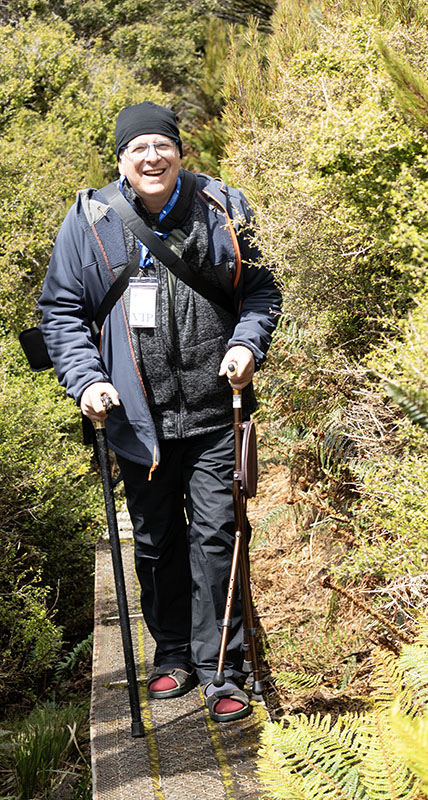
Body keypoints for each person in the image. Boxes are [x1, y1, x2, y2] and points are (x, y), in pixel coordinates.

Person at [39, 101, 282, 723]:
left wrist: (247, 344)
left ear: (179, 151)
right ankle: (172, 650)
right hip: (135, 418)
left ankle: (222, 667)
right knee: (155, 540)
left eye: (162, 145)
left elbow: (261, 289)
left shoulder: (223, 207)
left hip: (215, 409)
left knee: (218, 536)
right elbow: (62, 312)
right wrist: (86, 380)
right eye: (138, 148)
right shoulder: (90, 220)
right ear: (121, 159)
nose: (152, 157)